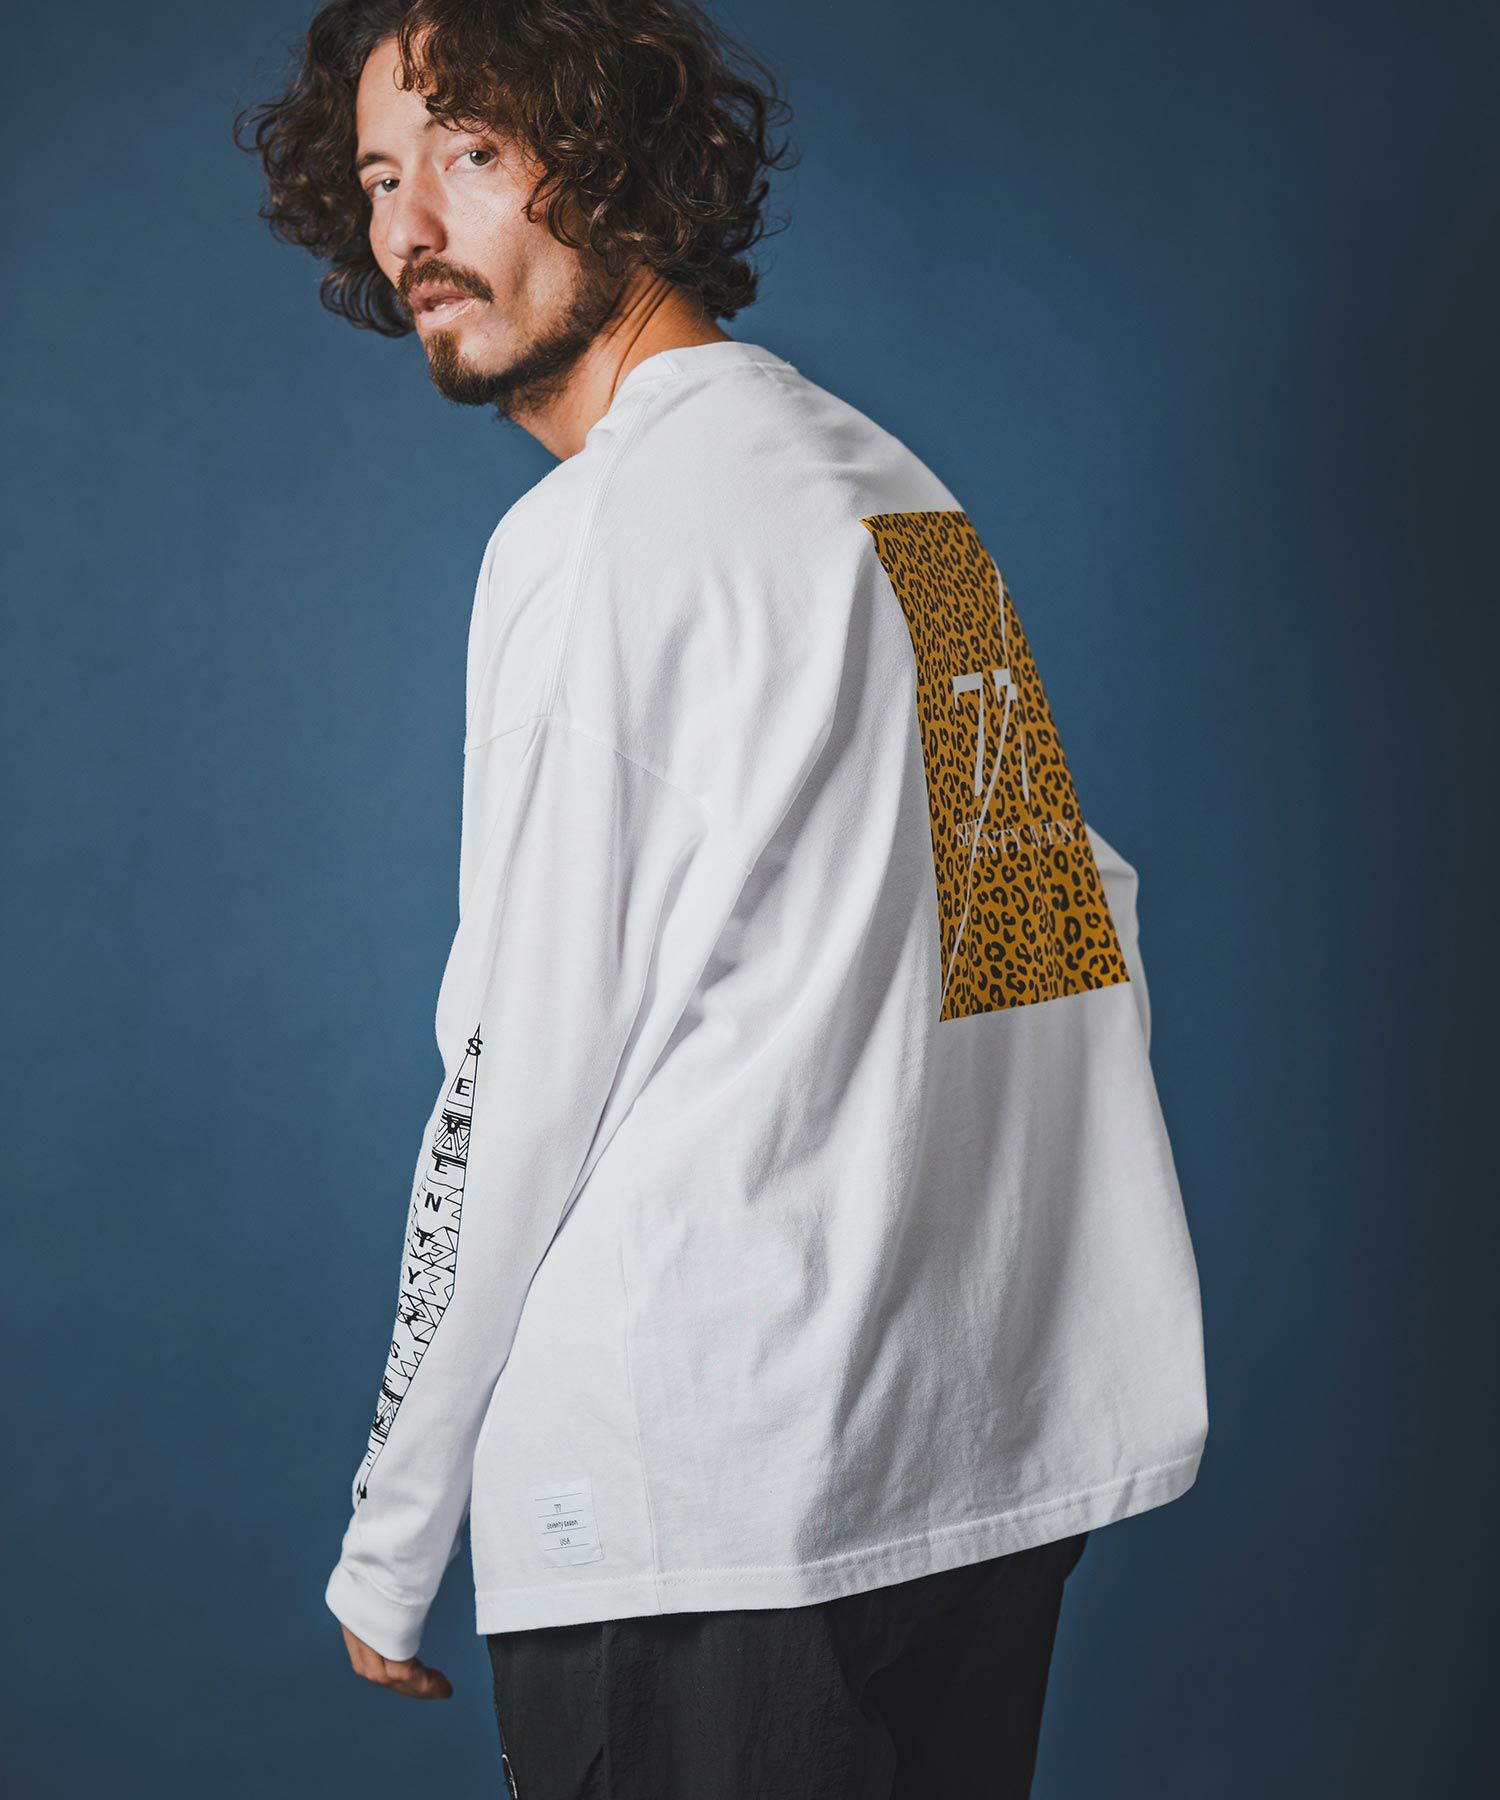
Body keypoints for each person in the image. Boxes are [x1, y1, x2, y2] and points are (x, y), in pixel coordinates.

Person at [238, 2, 1209, 1793]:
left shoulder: (599, 533)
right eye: (377, 178)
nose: (409, 231)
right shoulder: (893, 493)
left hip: (695, 1516)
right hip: (957, 1495)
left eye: (471, 152)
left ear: (615, 156)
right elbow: (1055, 943)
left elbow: (517, 1072)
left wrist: (394, 1527)